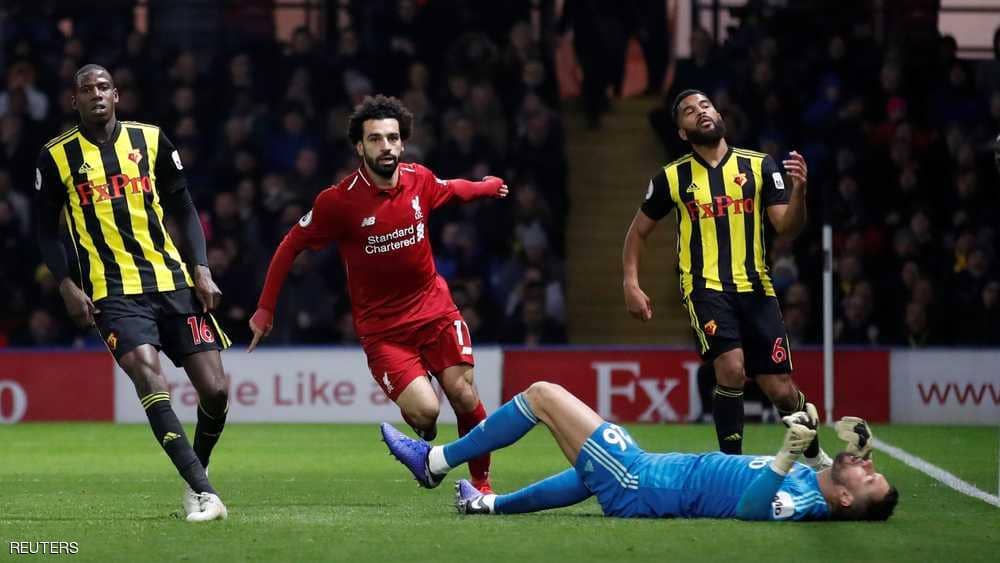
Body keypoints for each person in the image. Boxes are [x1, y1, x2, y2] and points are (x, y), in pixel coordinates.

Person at [248, 95, 508, 493]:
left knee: (463, 393)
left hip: (435, 311)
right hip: (384, 332)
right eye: (375, 139)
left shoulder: (419, 179)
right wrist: (265, 309)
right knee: (426, 413)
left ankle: (481, 485)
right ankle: (422, 426)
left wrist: (486, 186)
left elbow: (453, 189)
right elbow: (290, 245)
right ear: (360, 147)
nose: (385, 146)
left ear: (402, 143)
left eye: (392, 138)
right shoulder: (339, 201)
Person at [34, 65, 230, 521]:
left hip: (172, 281)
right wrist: (66, 284)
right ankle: (205, 493)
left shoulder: (152, 140)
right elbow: (45, 231)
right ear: (74, 101)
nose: (96, 94)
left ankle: (195, 472)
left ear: (117, 95)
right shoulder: (56, 156)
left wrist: (201, 268)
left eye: (103, 87)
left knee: (217, 390)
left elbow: (183, 205)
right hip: (113, 291)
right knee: (148, 376)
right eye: (87, 89)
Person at [622, 89, 830, 468]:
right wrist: (631, 283)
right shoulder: (672, 177)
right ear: (682, 132)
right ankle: (730, 468)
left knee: (780, 389)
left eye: (705, 105)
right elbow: (637, 233)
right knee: (731, 369)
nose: (700, 112)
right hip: (705, 288)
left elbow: (787, 226)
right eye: (689, 111)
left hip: (757, 288)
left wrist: (799, 192)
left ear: (719, 114)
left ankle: (815, 455)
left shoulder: (760, 165)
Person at [381, 382, 898, 522]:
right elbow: (822, 472)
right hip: (646, 474)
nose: (870, 468)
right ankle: (487, 504)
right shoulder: (817, 484)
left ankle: (434, 462)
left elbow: (752, 509)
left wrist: (786, 456)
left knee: (542, 395)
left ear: (847, 501)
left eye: (871, 479)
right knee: (584, 477)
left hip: (640, 479)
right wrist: (835, 452)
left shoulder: (805, 503)